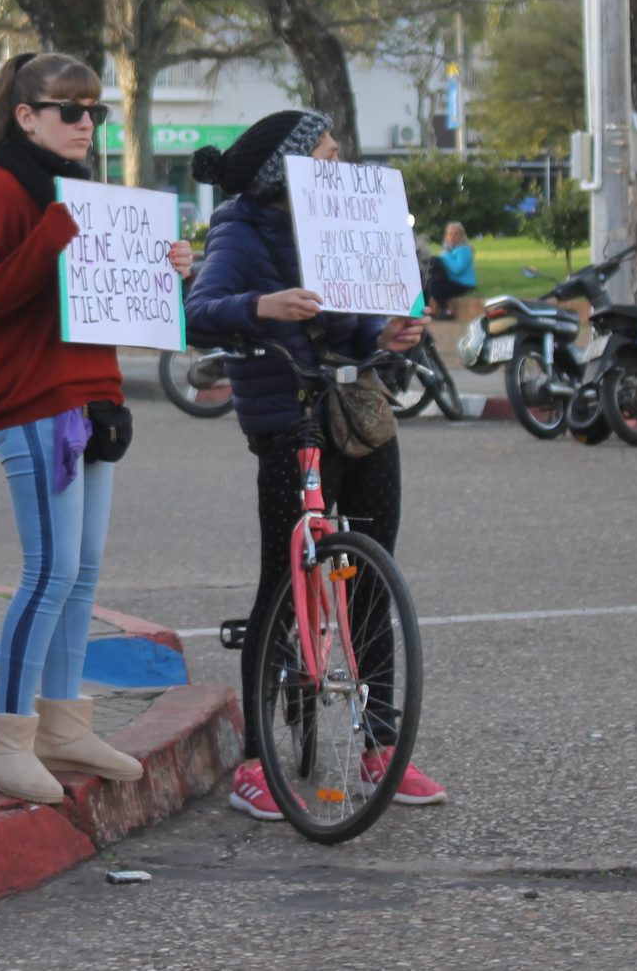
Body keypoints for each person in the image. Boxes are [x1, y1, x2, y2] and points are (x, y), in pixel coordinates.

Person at [183, 111, 445, 819]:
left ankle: (380, 745)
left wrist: (387, 329)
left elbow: (351, 321)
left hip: (354, 411)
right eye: (325, 155)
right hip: (288, 420)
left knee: (370, 580)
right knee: (281, 581)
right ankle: (255, 763)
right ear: (285, 169)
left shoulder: (331, 222)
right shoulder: (240, 228)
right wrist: (262, 304)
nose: (338, 165)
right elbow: (199, 310)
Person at [0, 52, 194, 803]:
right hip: (34, 403)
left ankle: (61, 724)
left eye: (95, 111)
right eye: (70, 110)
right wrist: (55, 233)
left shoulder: (78, 193)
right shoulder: (2, 190)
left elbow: (105, 297)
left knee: (81, 570)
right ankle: (9, 736)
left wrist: (167, 267)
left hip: (91, 399)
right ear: (27, 115)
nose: (86, 123)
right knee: (50, 571)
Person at [423, 221, 476, 320]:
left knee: (433, 285)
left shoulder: (464, 250)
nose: (452, 237)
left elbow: (457, 269)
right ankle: (427, 310)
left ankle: (447, 310)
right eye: (450, 234)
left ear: (461, 236)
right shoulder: (450, 250)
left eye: (456, 234)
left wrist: (446, 255)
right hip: (451, 280)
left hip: (463, 284)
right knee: (428, 282)